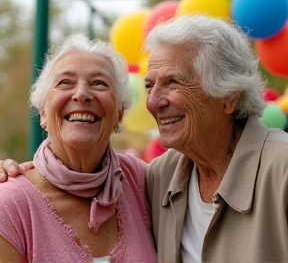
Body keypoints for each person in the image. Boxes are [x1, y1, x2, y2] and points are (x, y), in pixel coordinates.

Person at [2, 15, 288, 263]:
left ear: (228, 96)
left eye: (173, 82)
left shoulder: (143, 182)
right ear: (41, 111)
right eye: (150, 85)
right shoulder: (162, 177)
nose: (154, 101)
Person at [0, 34, 157, 262]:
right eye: (65, 82)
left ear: (119, 114)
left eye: (99, 83)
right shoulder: (9, 204)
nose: (82, 94)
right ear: (43, 113)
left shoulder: (143, 183)